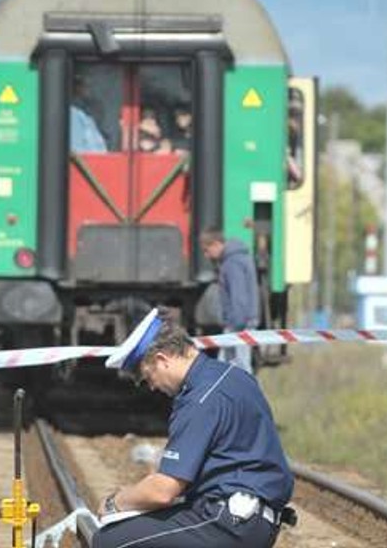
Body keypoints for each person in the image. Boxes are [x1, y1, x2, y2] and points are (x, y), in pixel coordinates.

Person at [96, 316, 294, 548]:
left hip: (228, 523)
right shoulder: (233, 376)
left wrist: (115, 501)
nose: (152, 387)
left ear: (162, 360)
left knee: (109, 540)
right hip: (254, 519)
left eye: (147, 377)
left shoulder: (198, 400)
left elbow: (162, 492)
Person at [200, 228, 259, 374]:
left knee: (240, 367)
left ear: (216, 244)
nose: (206, 255)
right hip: (240, 323)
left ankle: (247, 396)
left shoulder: (232, 263)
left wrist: (234, 326)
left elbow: (238, 297)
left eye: (207, 250)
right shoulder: (237, 259)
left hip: (238, 324)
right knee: (230, 367)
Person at [70, 76, 108, 153]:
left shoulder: (87, 117)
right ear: (78, 88)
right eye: (87, 86)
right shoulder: (74, 115)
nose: (91, 90)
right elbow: (78, 151)